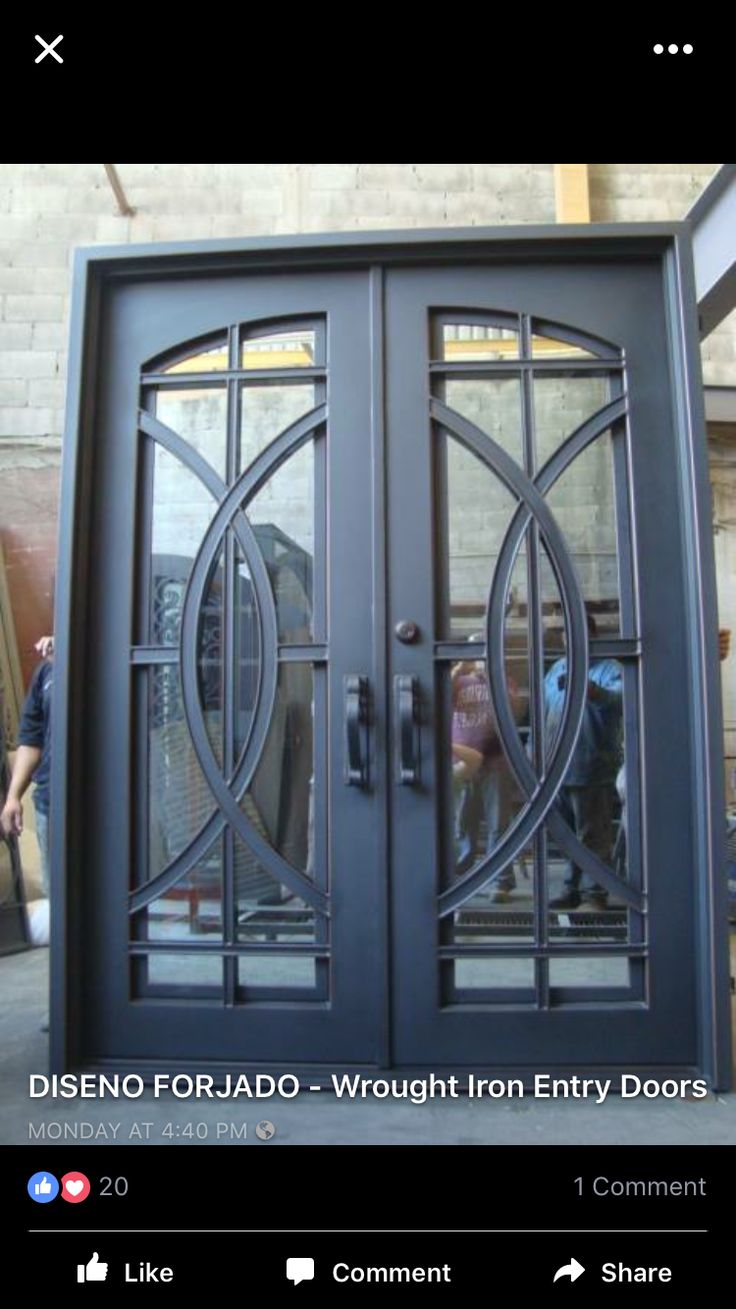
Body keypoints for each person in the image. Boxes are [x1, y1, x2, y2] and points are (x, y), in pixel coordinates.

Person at [544, 616, 622, 910]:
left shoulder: (609, 669)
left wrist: (592, 691)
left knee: (592, 833)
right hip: (556, 767)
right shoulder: (556, 669)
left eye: (576, 630)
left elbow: (621, 701)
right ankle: (571, 888)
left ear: (592, 634)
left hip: (590, 763)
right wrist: (532, 750)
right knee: (566, 833)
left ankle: (594, 894)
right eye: (566, 631)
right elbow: (543, 711)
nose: (569, 636)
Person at [451, 636, 523, 901]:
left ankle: (500, 882)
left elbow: (514, 711)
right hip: (462, 764)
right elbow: (438, 698)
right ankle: (461, 879)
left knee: (498, 824)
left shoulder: (504, 681)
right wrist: (459, 668)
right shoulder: (458, 680)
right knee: (462, 823)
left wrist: (491, 679)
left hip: (495, 763)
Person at [1, 636, 54, 894]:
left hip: (110, 803)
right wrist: (13, 797)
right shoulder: (46, 670)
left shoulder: (111, 660)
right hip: (51, 805)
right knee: (58, 893)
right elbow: (31, 740)